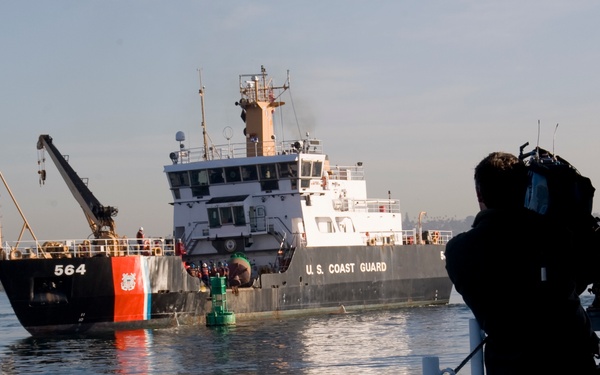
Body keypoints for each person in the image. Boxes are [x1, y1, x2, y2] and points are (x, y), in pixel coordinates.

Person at [445, 151, 600, 374]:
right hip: (570, 362)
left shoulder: (458, 251)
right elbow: (581, 276)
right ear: (526, 189)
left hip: (507, 366)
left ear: (479, 193)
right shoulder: (557, 237)